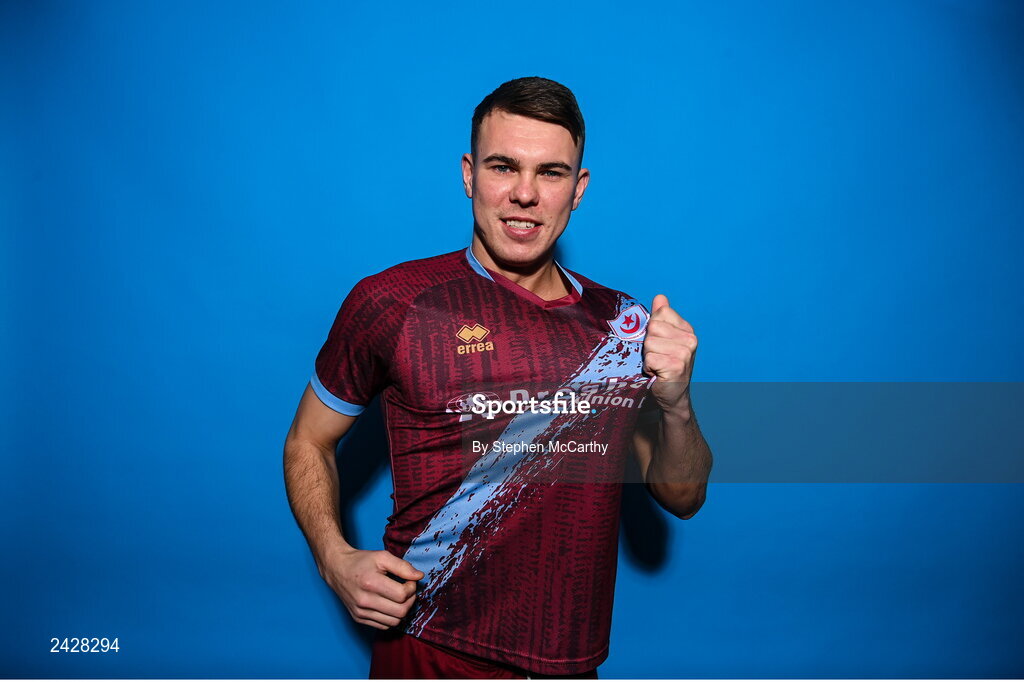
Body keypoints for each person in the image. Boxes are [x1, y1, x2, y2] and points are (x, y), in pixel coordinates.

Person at [283, 76, 713, 679]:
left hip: (570, 661)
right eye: (503, 167)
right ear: (468, 175)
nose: (525, 194)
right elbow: (308, 439)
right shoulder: (393, 301)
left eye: (551, 173)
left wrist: (677, 404)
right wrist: (334, 559)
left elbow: (683, 496)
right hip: (429, 649)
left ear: (578, 190)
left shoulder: (625, 327)